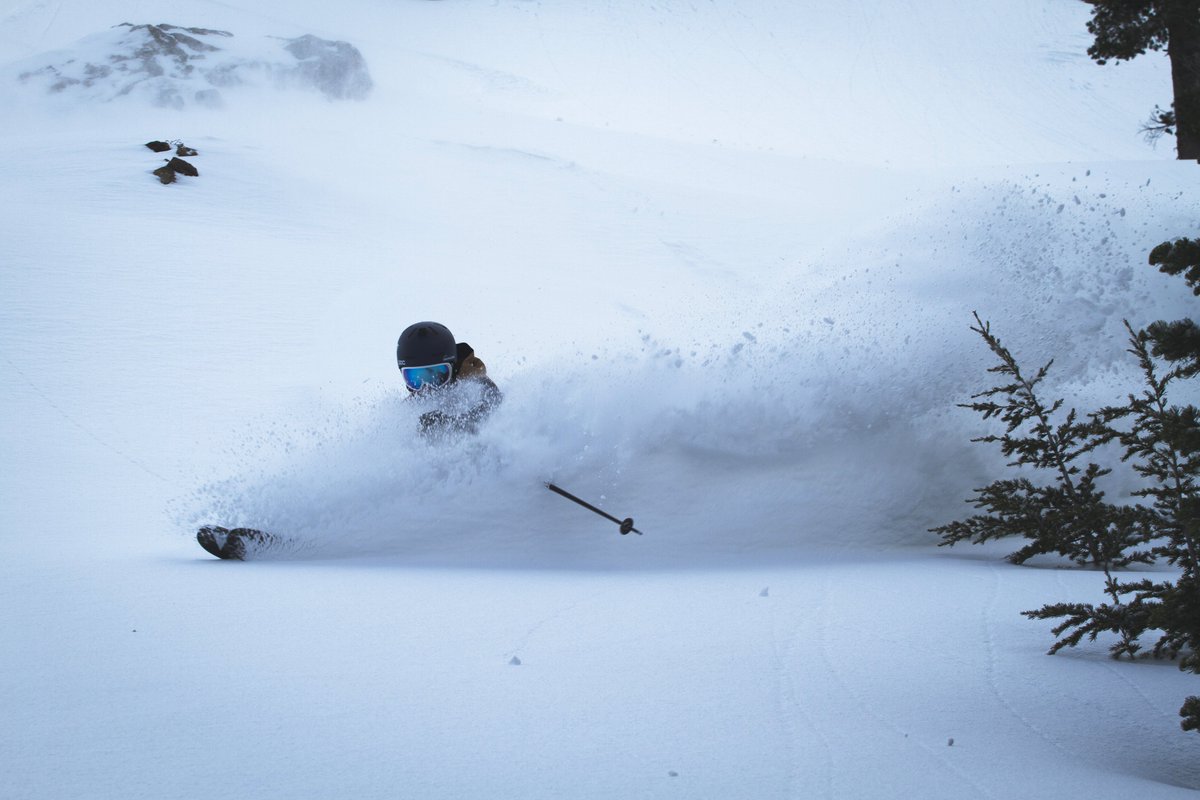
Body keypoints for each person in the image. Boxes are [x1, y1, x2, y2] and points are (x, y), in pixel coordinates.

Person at [396, 321, 502, 434]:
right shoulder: (412, 403)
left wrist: (450, 423)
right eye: (415, 379)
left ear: (453, 366)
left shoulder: (474, 383)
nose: (427, 387)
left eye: (435, 376)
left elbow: (494, 406)